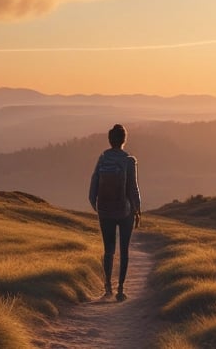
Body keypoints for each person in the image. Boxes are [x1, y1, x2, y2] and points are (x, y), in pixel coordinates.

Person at [89, 124, 141, 302]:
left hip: (105, 210)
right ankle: (120, 290)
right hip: (124, 210)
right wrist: (137, 209)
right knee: (124, 250)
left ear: (110, 140)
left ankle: (107, 289)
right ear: (124, 140)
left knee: (108, 250)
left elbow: (94, 181)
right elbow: (133, 187)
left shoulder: (103, 158)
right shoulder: (129, 160)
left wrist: (95, 204)